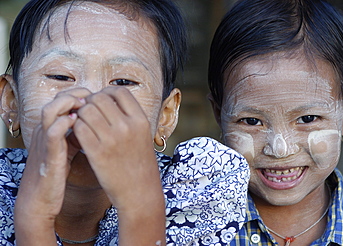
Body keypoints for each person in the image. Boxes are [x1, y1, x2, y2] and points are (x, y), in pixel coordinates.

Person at [0, 0, 250, 246]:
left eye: (123, 82)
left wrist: (138, 204)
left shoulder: (199, 190)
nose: (90, 102)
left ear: (166, 115)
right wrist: (35, 213)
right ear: (11, 101)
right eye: (61, 76)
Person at [208, 0, 343, 245]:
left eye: (307, 119)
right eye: (252, 121)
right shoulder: (191, 232)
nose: (280, 149)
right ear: (219, 114)